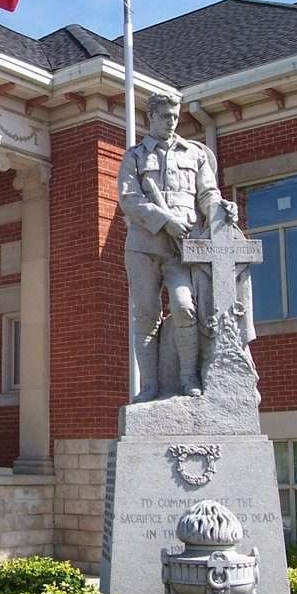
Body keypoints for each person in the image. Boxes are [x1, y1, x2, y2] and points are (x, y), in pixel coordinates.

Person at [118, 93, 237, 401]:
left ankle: (188, 379)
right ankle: (150, 387)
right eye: (165, 116)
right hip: (144, 246)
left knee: (185, 307)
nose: (171, 121)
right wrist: (163, 220)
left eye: (175, 116)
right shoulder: (135, 157)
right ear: (151, 118)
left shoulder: (194, 154)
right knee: (146, 312)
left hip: (184, 246)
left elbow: (207, 194)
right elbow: (129, 199)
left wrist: (221, 207)